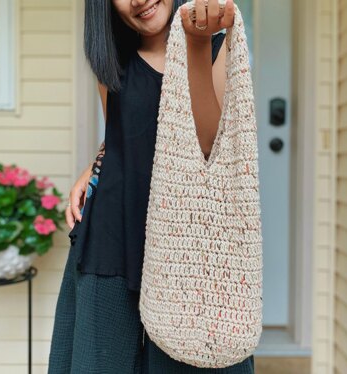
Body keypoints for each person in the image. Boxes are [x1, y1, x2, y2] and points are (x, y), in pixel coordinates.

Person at [48, 0, 255, 373]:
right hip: (112, 240)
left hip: (188, 252)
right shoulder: (114, 64)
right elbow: (124, 134)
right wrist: (92, 166)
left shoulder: (213, 47)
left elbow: (208, 144)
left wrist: (193, 45)